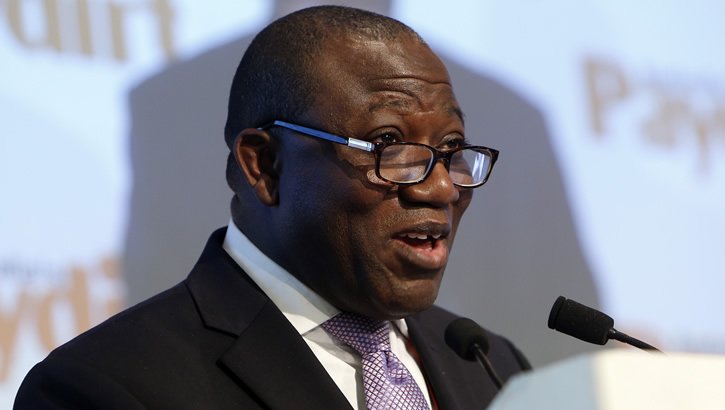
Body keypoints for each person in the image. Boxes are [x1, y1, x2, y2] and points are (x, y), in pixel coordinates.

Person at [15, 6, 530, 409]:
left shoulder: (494, 367)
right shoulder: (105, 385)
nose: (440, 188)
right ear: (263, 165)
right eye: (388, 145)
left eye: (452, 148)